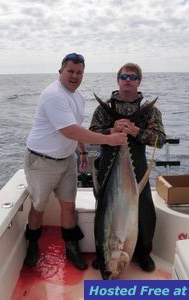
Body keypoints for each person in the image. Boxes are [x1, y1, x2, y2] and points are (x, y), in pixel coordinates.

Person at [24, 53, 127, 271]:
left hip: (66, 160)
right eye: (70, 71)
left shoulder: (77, 96)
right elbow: (69, 130)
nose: (75, 76)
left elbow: (77, 129)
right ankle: (32, 245)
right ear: (60, 71)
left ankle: (71, 249)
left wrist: (81, 153)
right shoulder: (54, 95)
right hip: (42, 161)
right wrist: (108, 139)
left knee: (68, 206)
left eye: (79, 72)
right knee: (38, 207)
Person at [89, 62, 166, 272]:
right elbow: (92, 135)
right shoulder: (103, 108)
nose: (128, 81)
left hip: (137, 164)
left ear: (139, 82)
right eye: (124, 77)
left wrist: (135, 131)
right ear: (118, 80)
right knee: (104, 210)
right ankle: (102, 254)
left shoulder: (150, 111)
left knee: (144, 210)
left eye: (132, 78)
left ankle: (143, 253)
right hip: (108, 163)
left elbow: (159, 140)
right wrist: (111, 130)